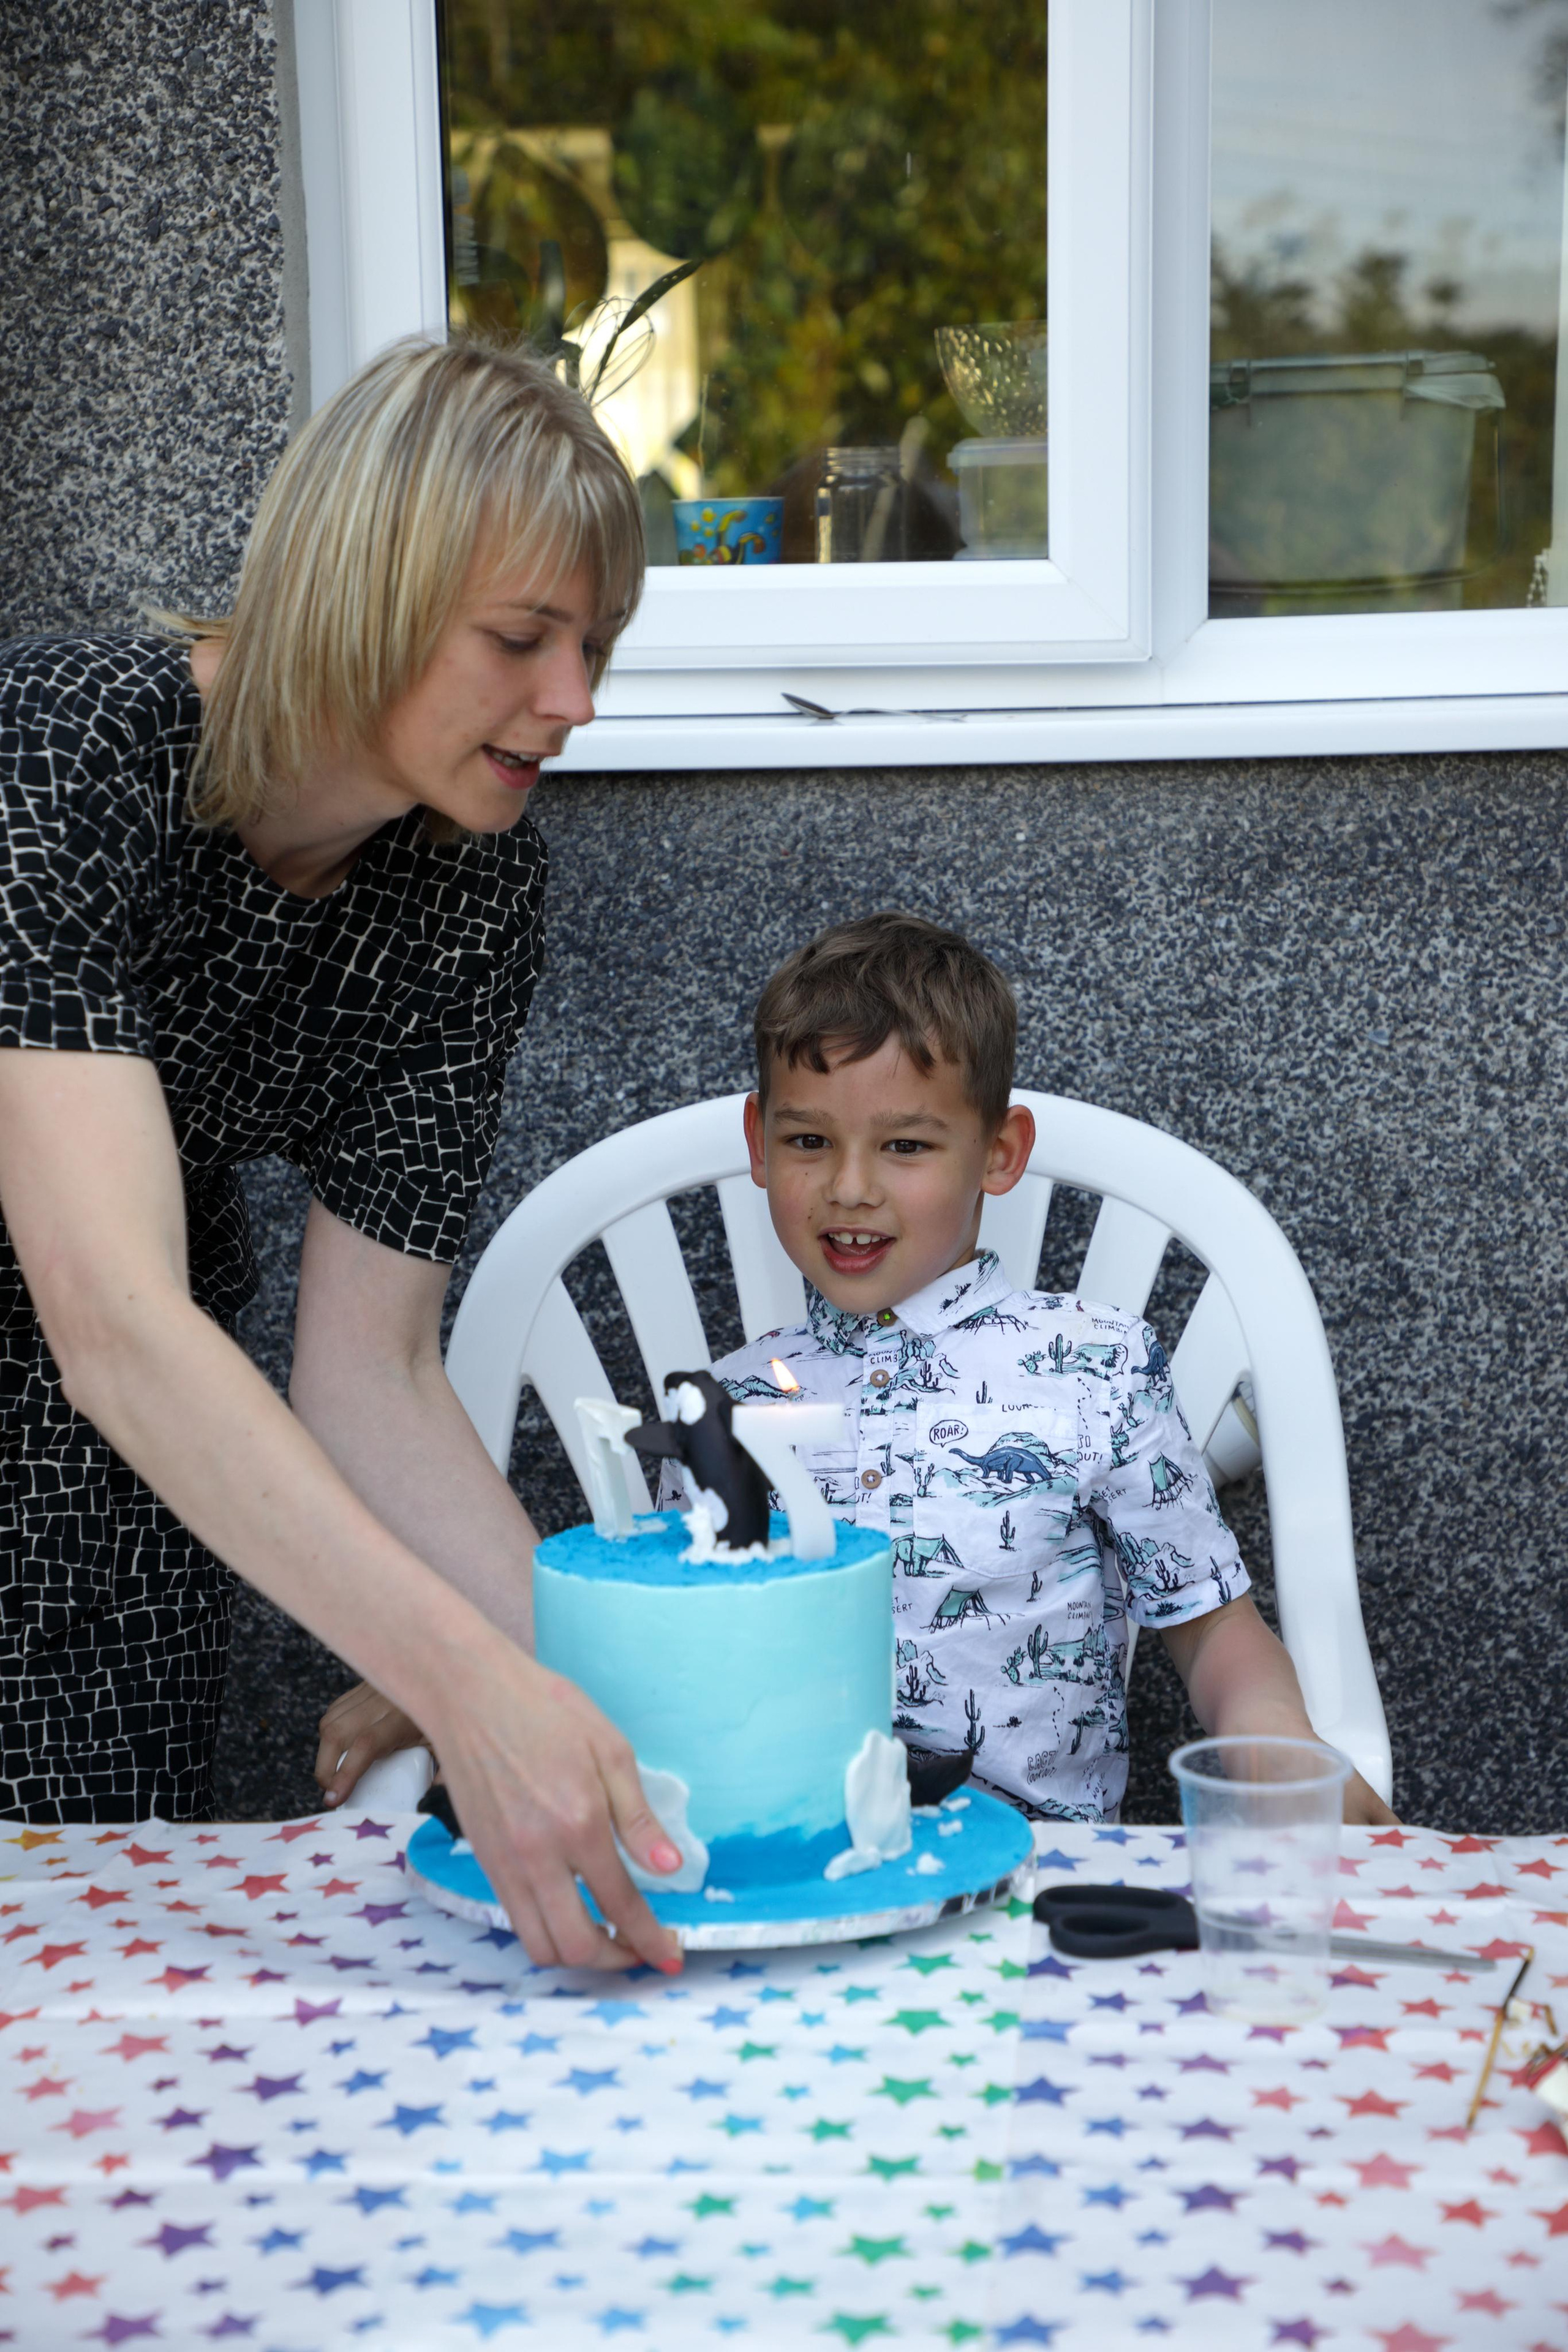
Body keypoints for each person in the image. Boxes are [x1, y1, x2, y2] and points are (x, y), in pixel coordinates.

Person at [0, 336, 685, 1972]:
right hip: (127, 1380)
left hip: (116, 1504)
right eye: (520, 639)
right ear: (366, 588)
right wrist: (466, 1684)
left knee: (86, 2010)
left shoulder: (470, 888)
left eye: (595, 647)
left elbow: (371, 1369)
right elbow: (115, 1324)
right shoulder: (65, 748)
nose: (575, 703)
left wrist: (642, 1726)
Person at [683, 911, 1394, 1823]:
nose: (849, 1187)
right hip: (792, 1860)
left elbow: (1214, 1627)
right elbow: (688, 1656)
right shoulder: (724, 1406)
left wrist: (1270, 1738)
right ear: (759, 1140)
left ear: (1000, 1152)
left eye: (906, 1145)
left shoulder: (1096, 1370)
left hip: (1045, 1869)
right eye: (809, 1141)